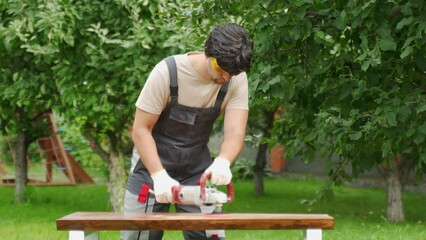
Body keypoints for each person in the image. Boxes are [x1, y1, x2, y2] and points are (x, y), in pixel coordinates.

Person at [121, 23, 253, 240]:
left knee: (210, 235)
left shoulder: (235, 78)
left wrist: (223, 161)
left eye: (233, 73)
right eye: (222, 70)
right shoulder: (167, 72)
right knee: (140, 236)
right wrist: (159, 176)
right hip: (150, 169)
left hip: (196, 171)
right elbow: (140, 129)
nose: (226, 78)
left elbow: (235, 132)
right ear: (207, 53)